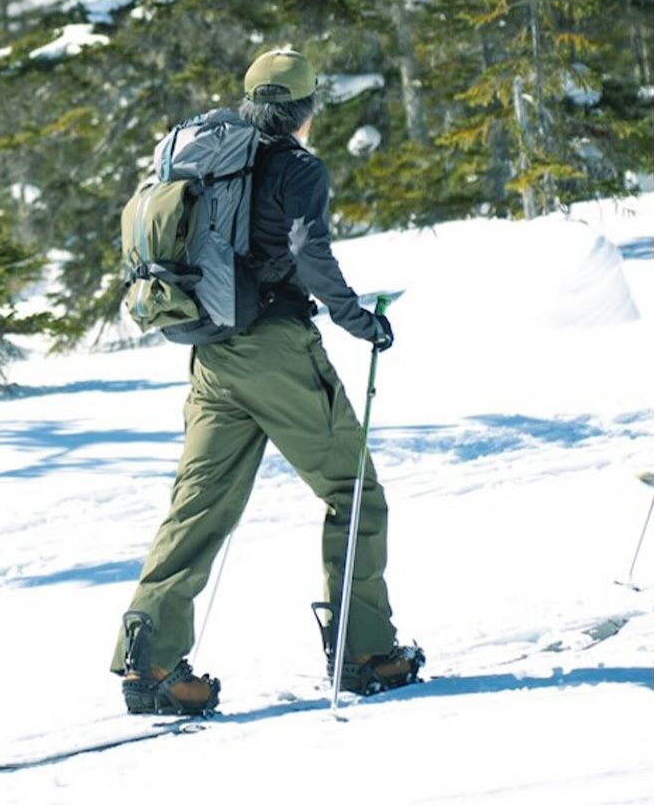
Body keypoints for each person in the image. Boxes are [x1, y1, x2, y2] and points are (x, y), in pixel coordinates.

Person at [109, 47, 423, 715]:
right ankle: (365, 652)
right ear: (307, 109)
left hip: (210, 356)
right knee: (354, 492)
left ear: (250, 101)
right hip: (276, 349)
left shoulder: (209, 155)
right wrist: (358, 320)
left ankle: (151, 663)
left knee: (196, 510)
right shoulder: (297, 167)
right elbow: (310, 253)